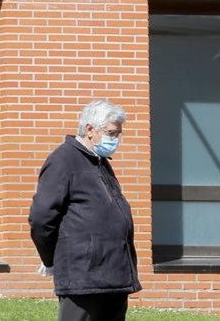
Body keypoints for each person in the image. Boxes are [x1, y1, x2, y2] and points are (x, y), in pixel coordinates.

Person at [29, 99, 141, 321]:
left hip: (113, 276)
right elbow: (42, 218)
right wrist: (50, 259)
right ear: (90, 129)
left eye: (117, 134)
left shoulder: (100, 163)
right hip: (83, 277)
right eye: (111, 133)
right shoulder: (63, 160)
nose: (115, 140)